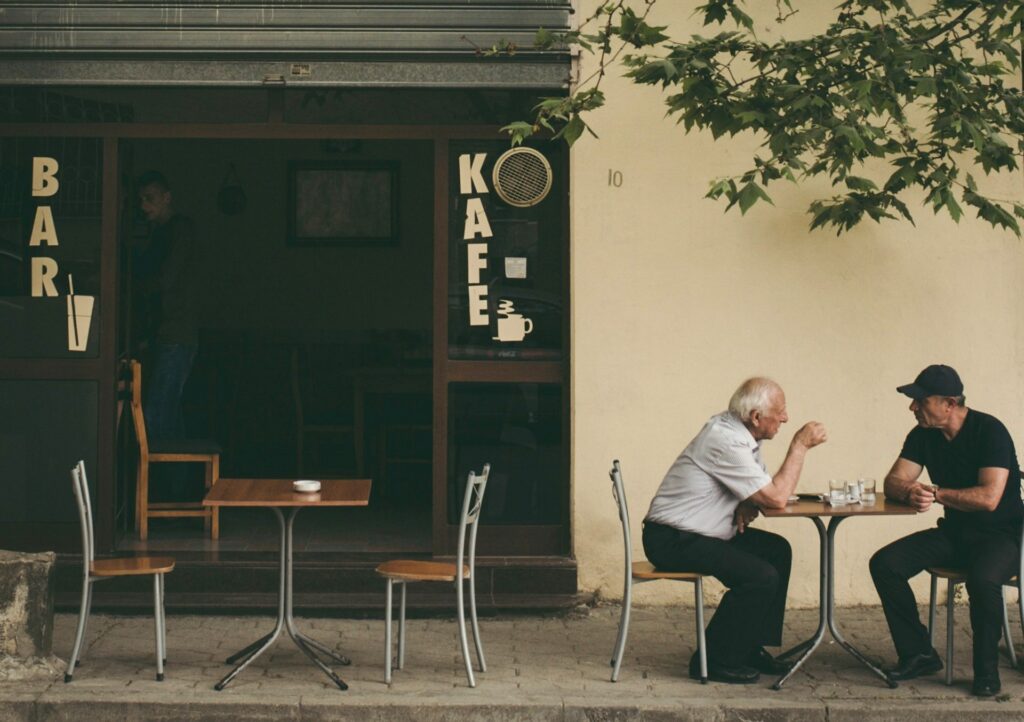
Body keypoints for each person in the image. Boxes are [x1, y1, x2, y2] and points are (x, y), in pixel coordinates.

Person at [642, 377, 828, 684]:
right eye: (780, 411)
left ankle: (747, 646)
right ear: (756, 417)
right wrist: (799, 446)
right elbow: (776, 497)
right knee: (760, 576)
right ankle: (714, 659)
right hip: (672, 538)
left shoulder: (742, 435)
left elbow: (762, 491)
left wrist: (748, 499)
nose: (785, 418)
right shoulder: (726, 439)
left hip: (701, 533)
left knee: (776, 551)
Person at [869, 364, 1023, 697]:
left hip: (1003, 536)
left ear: (949, 404)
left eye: (920, 401)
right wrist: (908, 491)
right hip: (955, 534)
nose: (913, 408)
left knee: (983, 580)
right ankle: (919, 654)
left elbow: (989, 497)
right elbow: (893, 481)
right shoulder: (923, 434)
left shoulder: (989, 430)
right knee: (885, 564)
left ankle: (986, 672)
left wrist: (937, 493)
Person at [134, 170, 200, 441]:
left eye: (149, 198)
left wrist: (131, 285)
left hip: (175, 334)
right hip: (165, 334)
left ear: (167, 197)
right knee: (167, 415)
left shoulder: (179, 230)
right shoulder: (161, 234)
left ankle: (163, 483)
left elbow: (165, 280)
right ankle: (176, 483)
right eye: (140, 200)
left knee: (158, 415)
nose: (143, 206)